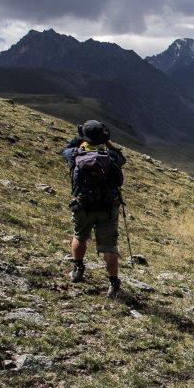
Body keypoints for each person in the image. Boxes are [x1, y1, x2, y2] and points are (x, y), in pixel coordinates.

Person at [61, 120, 127, 298]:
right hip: (107, 207)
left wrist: (80, 136)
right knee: (109, 248)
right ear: (103, 137)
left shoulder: (75, 154)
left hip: (83, 205)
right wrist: (107, 141)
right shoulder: (112, 157)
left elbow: (64, 149)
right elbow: (123, 159)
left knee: (79, 237)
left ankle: (77, 268)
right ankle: (113, 283)